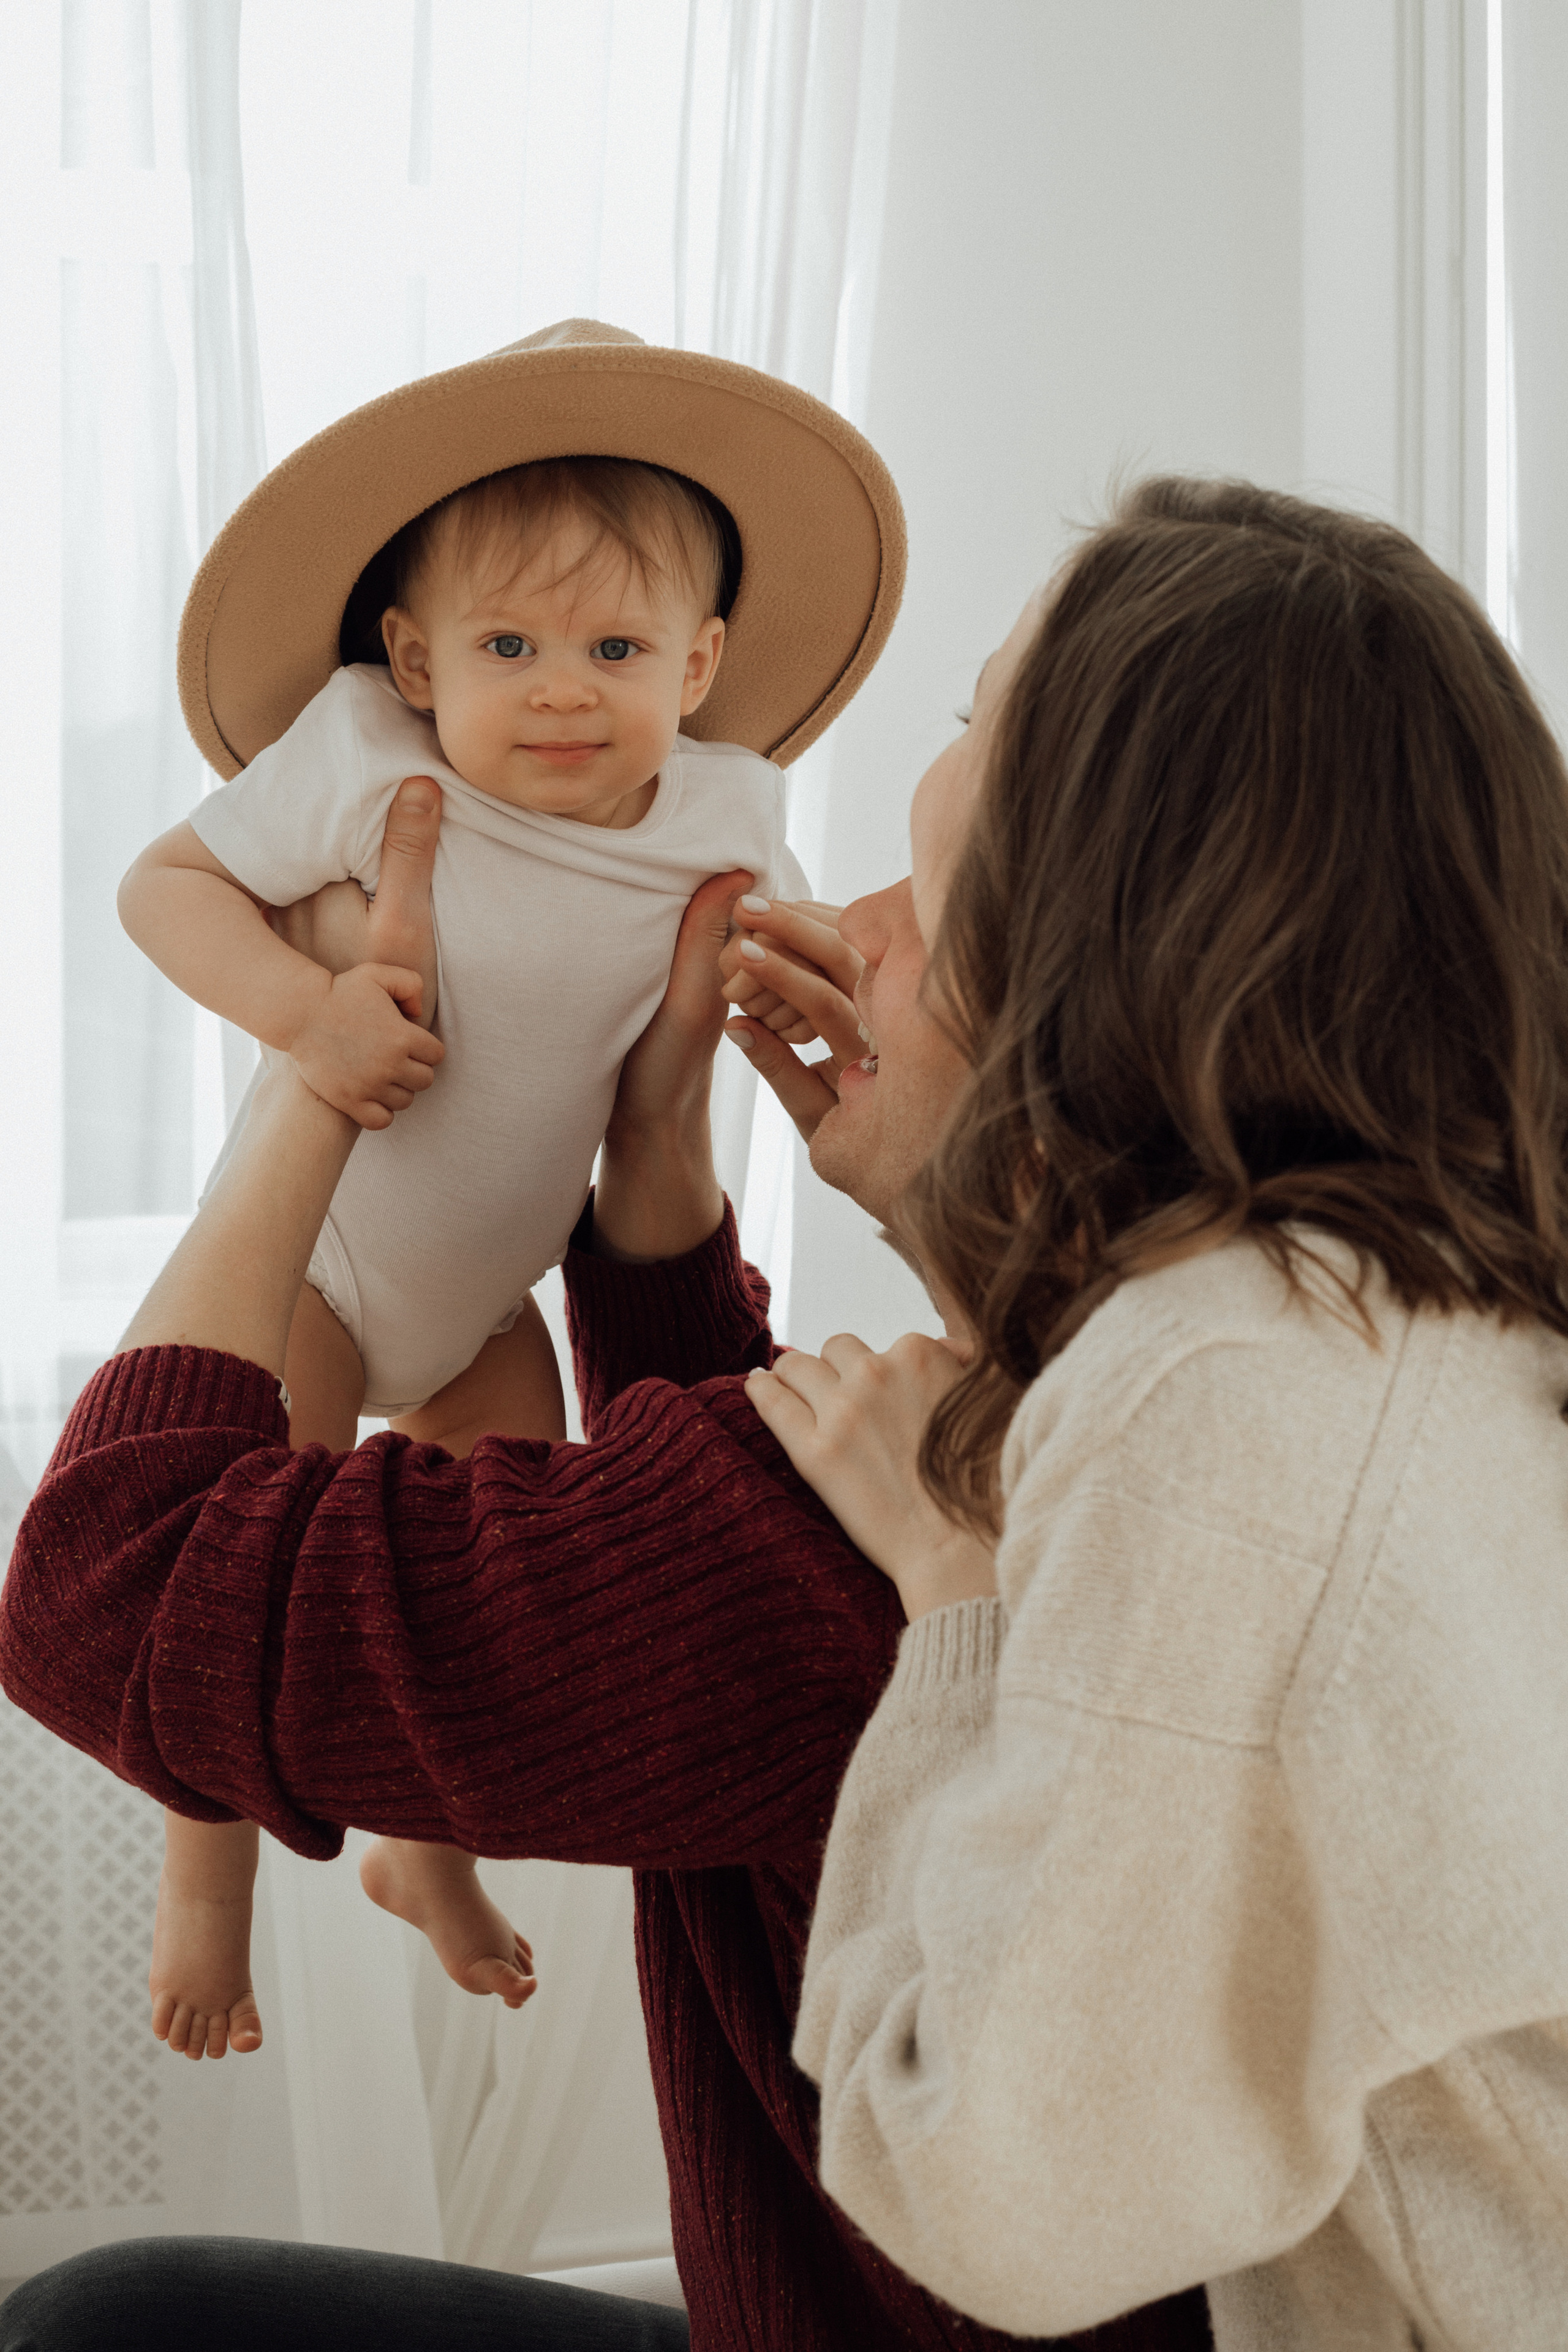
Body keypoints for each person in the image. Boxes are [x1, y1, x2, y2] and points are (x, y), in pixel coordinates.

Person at [0, 769, 1213, 2341]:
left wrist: (312, 1067)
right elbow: (713, 1575)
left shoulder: (895, 1535)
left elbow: (110, 1589)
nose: (848, 927)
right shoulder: (1180, 1422)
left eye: (922, 908)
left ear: (1084, 1030)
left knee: (108, 2330)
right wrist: (655, 1164)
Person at [736, 479, 1568, 2349]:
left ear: (1090, 873)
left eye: (967, 718)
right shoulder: (1453, 1297)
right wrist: (937, 1209)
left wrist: (954, 1602)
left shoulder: (1222, 1386)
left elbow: (995, 2188)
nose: (923, 785)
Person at [110, 314, 892, 2064]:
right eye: (508, 642)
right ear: (412, 656)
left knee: (513, 1512)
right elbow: (160, 889)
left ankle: (427, 1855)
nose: (559, 687)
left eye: (614, 645)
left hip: (485, 1300)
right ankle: (206, 1896)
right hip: (315, 1265)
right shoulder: (367, 758)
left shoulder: (724, 814)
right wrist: (307, 1015)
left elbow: (809, 947)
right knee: (247, 1556)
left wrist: (825, 978)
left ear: (697, 668)